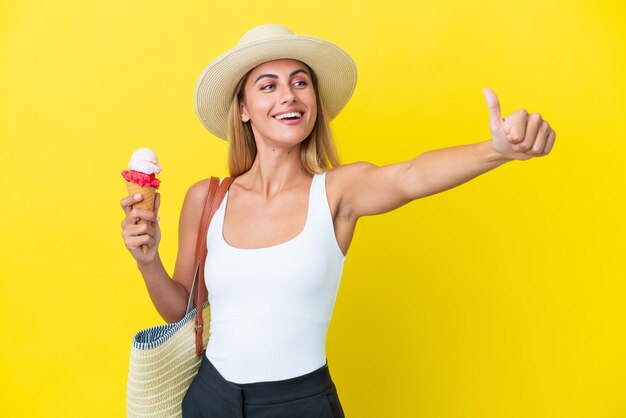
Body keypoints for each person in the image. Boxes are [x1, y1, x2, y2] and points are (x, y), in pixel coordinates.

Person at [120, 24, 556, 418]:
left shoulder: (336, 193)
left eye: (300, 82)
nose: (288, 95)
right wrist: (147, 260)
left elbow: (411, 175)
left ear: (313, 101)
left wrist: (497, 150)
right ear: (244, 109)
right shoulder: (208, 198)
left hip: (300, 405)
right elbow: (183, 311)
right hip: (209, 400)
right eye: (268, 85)